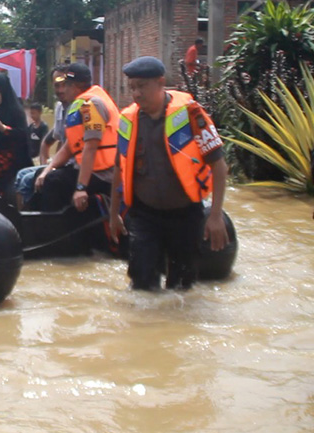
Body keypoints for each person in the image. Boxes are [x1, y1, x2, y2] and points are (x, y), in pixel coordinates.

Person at [109, 56, 229, 291]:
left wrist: (215, 216)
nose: (136, 94)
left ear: (161, 82)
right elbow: (118, 169)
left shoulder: (191, 115)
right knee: (141, 284)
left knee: (182, 287)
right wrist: (114, 214)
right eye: (132, 87)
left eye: (142, 86)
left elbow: (219, 165)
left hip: (185, 214)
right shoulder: (128, 120)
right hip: (144, 215)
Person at [35, 63, 120, 212]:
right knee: (43, 176)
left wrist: (81, 187)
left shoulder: (91, 105)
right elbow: (69, 146)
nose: (62, 89)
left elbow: (91, 147)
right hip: (91, 170)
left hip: (103, 174)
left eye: (66, 85)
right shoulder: (80, 104)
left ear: (76, 86)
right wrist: (47, 169)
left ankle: (51, 230)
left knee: (54, 182)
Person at [14, 64, 80, 210]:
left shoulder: (79, 108)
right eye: (57, 85)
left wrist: (48, 169)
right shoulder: (59, 108)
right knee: (21, 176)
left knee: (27, 180)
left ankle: (34, 220)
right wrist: (45, 162)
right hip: (62, 163)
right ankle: (22, 219)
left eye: (64, 85)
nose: (61, 90)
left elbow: (69, 147)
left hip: (75, 166)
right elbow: (51, 140)